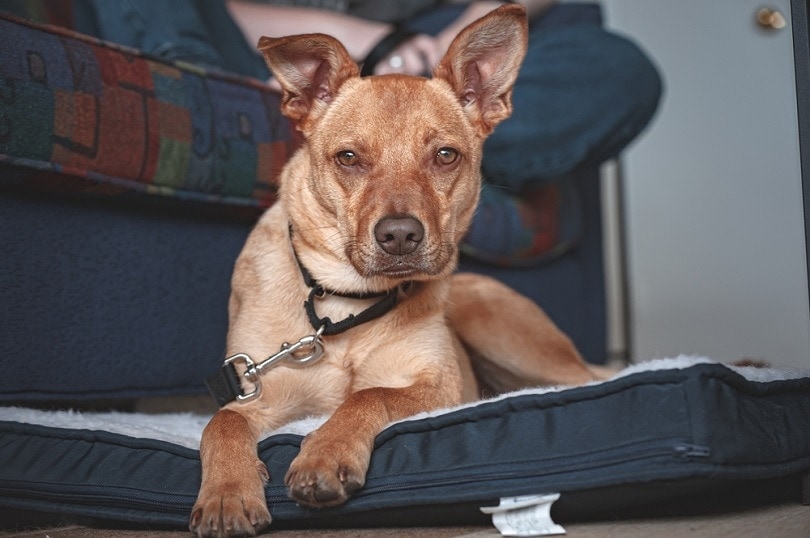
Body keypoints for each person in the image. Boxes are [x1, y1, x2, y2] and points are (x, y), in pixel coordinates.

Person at [72, 0, 662, 266]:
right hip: (260, 53)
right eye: (355, 155)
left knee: (618, 68)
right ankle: (240, 110)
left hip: (437, 36)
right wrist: (363, 47)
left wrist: (442, 55)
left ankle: (435, 138)